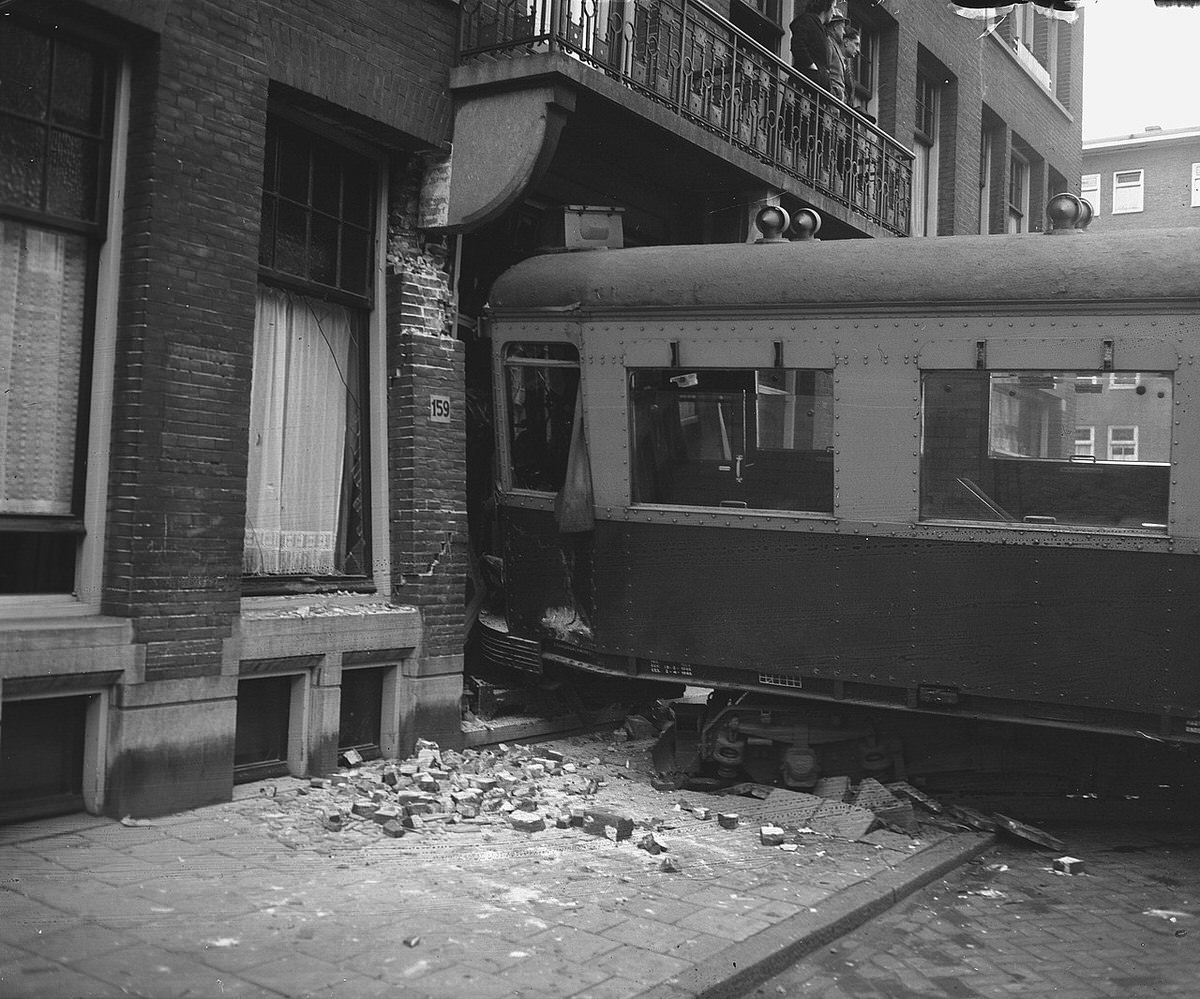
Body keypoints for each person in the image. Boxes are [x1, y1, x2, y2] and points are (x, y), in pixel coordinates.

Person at [789, 0, 836, 91]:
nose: (834, 13)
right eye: (833, 7)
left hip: (816, 88)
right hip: (805, 85)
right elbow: (798, 46)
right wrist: (813, 68)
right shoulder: (807, 21)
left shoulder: (822, 29)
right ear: (826, 6)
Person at [825, 12, 849, 102]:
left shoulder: (835, 45)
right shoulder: (828, 42)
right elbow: (825, 68)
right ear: (835, 26)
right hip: (831, 97)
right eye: (842, 28)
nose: (844, 32)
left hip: (837, 99)